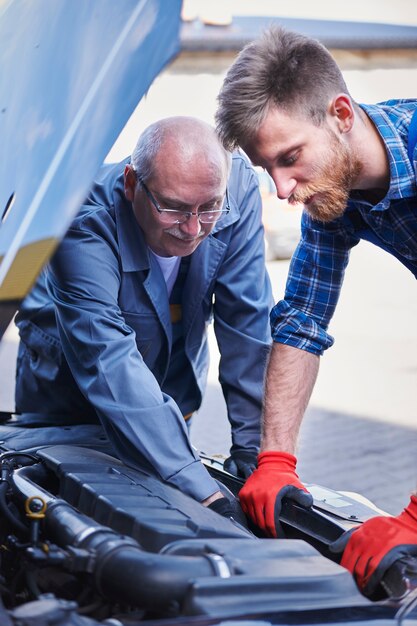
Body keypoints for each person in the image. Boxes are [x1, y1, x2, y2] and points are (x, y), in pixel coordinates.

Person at [215, 25, 417, 594]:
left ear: (342, 114)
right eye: (266, 169)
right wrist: (275, 459)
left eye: (290, 158)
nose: (281, 188)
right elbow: (302, 318)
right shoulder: (337, 194)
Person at [14, 116, 272, 517]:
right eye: (174, 208)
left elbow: (247, 324)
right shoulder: (82, 213)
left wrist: (256, 456)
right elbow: (106, 357)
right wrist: (205, 492)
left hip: (167, 392)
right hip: (67, 397)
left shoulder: (235, 187)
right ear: (132, 184)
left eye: (209, 209)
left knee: (167, 499)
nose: (192, 228)